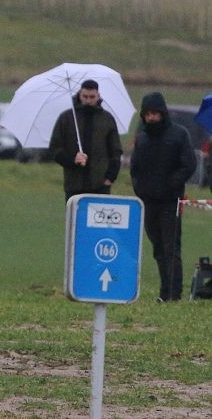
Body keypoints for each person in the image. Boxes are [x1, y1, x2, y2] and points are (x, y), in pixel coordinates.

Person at [130, 92, 197, 302]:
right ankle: (163, 292)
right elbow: (135, 168)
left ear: (162, 113)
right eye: (147, 114)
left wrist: (170, 184)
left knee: (171, 249)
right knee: (158, 248)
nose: (151, 117)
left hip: (171, 201)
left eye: (155, 113)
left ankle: (173, 294)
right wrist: (140, 189)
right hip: (148, 202)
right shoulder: (142, 137)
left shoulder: (179, 134)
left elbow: (188, 165)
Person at [48, 79, 121, 200]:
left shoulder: (107, 119)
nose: (88, 101)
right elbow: (54, 148)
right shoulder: (66, 118)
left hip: (100, 186)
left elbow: (115, 151)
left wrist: (110, 178)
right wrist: (72, 160)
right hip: (74, 185)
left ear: (98, 96)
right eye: (85, 96)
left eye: (92, 97)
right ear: (79, 95)